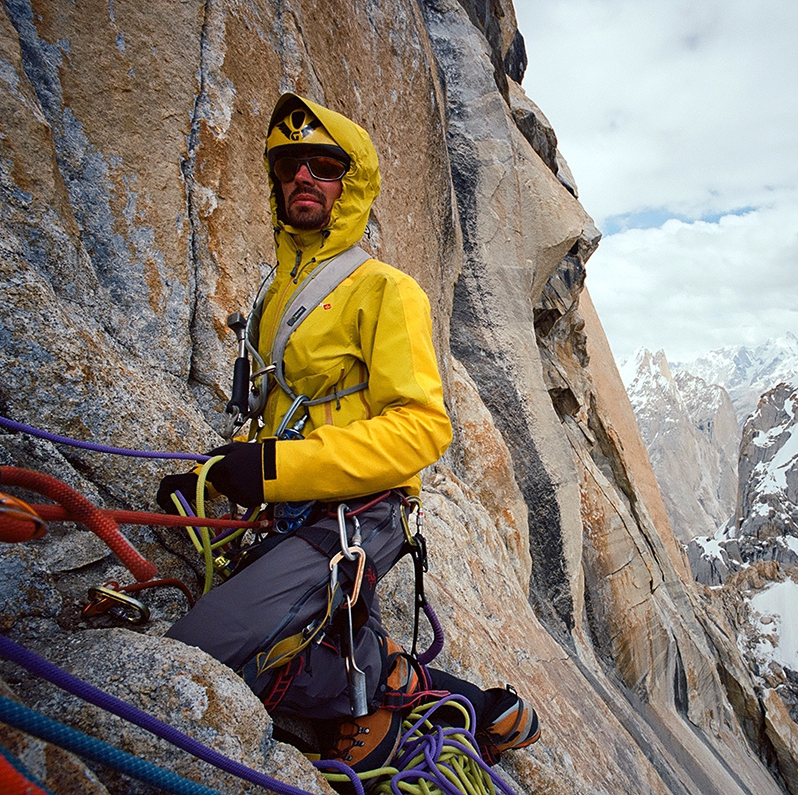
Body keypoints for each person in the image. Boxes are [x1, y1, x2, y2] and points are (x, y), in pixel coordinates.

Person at [156, 94, 539, 772]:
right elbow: (289, 414)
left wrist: (274, 470)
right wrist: (219, 474)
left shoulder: (387, 291)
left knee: (196, 652)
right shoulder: (277, 296)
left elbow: (422, 430)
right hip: (299, 509)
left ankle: (398, 686)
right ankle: (380, 669)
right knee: (230, 650)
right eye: (289, 166)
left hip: (361, 517)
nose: (303, 178)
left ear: (350, 183)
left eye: (323, 166)